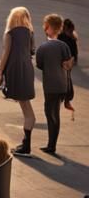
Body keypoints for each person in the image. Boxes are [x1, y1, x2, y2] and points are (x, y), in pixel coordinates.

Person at [0, 6, 37, 157]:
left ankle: (26, 147)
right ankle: (26, 143)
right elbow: (32, 51)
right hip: (27, 69)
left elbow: (6, 53)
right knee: (26, 105)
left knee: (25, 107)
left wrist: (0, 74)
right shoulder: (30, 33)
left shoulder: (10, 33)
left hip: (15, 69)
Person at [37, 13, 75, 156]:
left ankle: (51, 145)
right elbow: (69, 63)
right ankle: (52, 144)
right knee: (56, 113)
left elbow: (40, 65)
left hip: (50, 86)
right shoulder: (64, 46)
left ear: (47, 27)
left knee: (50, 113)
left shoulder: (43, 47)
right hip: (62, 85)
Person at [61, 18, 79, 116]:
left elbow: (75, 53)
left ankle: (66, 100)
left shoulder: (71, 38)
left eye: (71, 31)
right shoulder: (61, 36)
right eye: (69, 31)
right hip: (62, 62)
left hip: (68, 62)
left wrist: (73, 61)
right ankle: (65, 99)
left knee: (67, 80)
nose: (70, 32)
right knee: (65, 80)